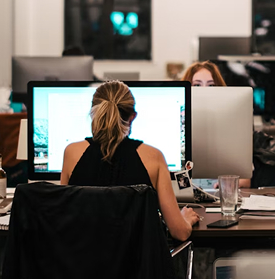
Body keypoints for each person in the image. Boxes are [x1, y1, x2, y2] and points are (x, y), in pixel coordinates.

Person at [60, 81, 199, 242]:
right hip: (138, 266)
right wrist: (186, 219)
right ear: (132, 117)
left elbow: (64, 219)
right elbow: (179, 232)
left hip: (81, 264)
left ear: (93, 114)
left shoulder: (72, 153)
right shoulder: (153, 157)